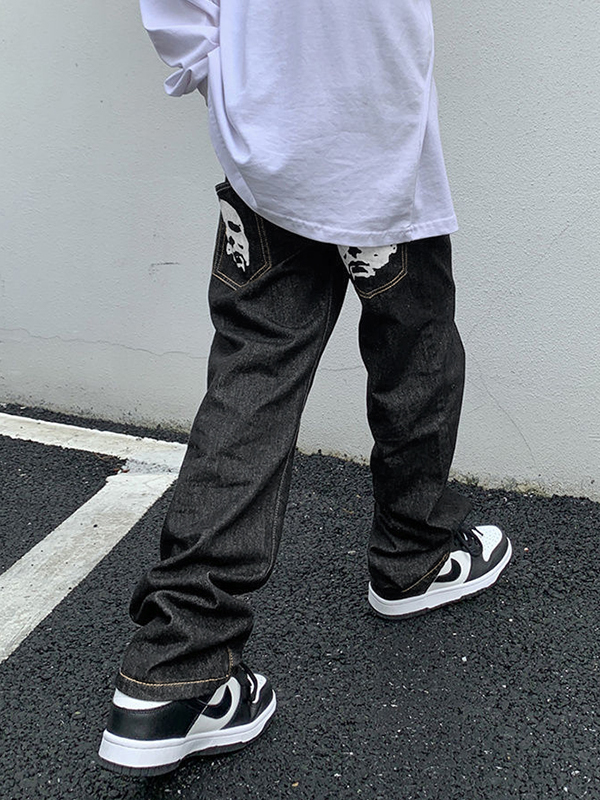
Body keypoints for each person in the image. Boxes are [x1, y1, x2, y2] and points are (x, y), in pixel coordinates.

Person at [98, 0, 512, 776]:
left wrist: (218, 75)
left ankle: (175, 666)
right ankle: (414, 553)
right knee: (415, 343)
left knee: (254, 375)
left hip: (268, 134)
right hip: (376, 123)